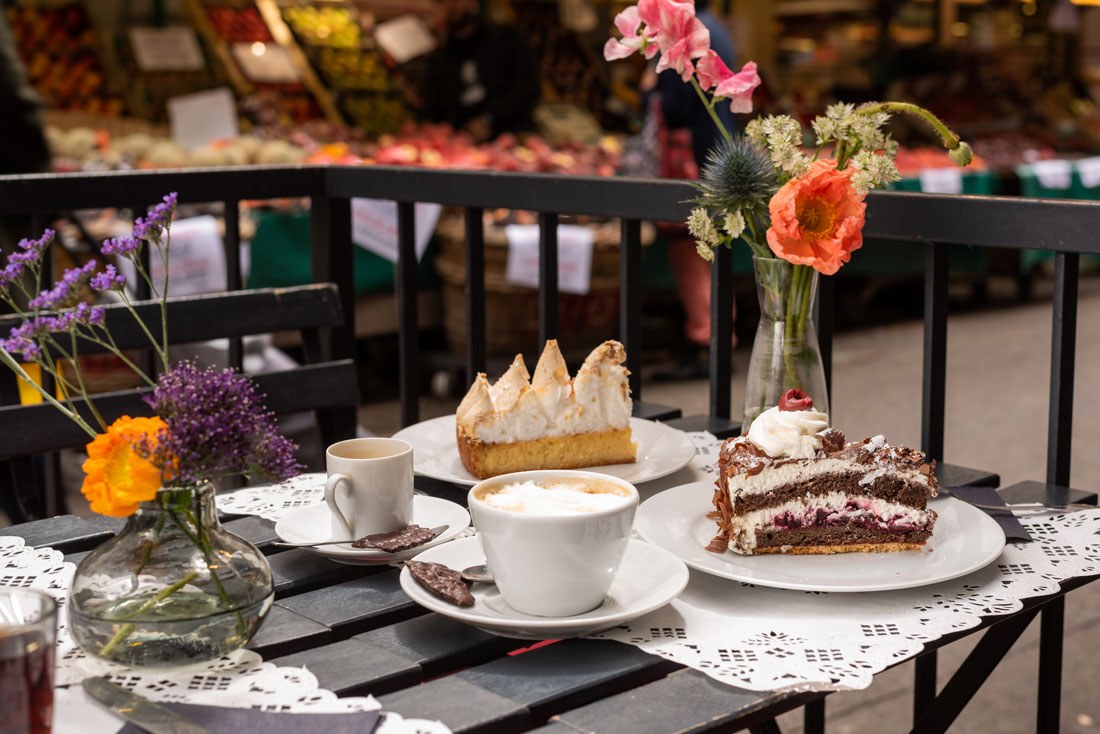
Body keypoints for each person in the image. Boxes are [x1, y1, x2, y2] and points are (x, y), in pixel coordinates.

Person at [654, 0, 738, 380]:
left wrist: (648, 88)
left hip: (692, 160)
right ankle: (718, 338)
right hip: (717, 153)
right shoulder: (715, 25)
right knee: (712, 254)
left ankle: (706, 342)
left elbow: (673, 105)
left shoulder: (688, 29)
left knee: (691, 251)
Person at [419, 0, 541, 142]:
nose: (453, 7)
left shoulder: (506, 38)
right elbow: (433, 107)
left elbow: (528, 87)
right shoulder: (440, 57)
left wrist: (488, 118)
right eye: (446, 3)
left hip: (512, 138)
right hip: (461, 148)